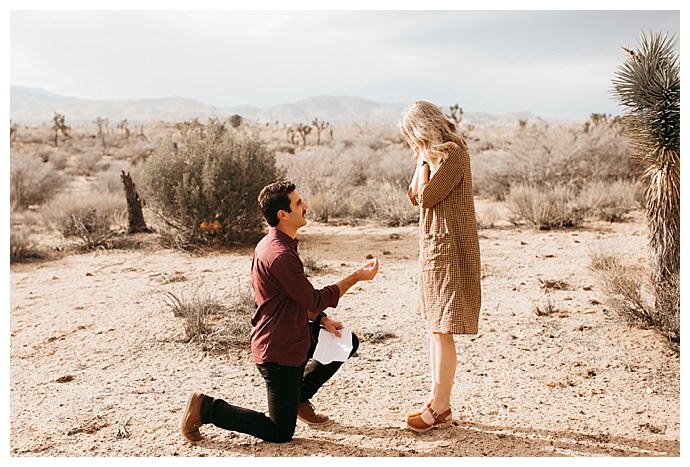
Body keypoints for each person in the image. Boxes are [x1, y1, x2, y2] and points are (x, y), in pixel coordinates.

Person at [180, 180, 380, 443]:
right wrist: (354, 277)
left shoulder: (276, 244)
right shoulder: (279, 255)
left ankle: (297, 397)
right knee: (280, 431)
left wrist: (322, 320)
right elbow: (314, 299)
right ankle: (206, 408)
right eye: (298, 203)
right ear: (282, 215)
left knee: (345, 341)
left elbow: (296, 300)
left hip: (294, 334)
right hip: (278, 352)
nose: (305, 205)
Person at [399, 100, 482, 433]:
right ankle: (437, 405)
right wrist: (423, 158)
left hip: (451, 249)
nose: (409, 142)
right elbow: (412, 194)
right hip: (436, 249)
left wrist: (423, 157)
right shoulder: (433, 157)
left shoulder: (453, 154)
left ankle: (440, 406)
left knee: (443, 330)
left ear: (421, 130)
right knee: (435, 328)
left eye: (410, 135)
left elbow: (428, 196)